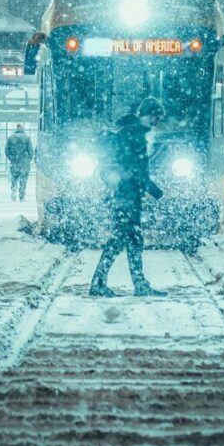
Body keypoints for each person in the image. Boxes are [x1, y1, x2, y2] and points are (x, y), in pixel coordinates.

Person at [89, 97, 166, 297]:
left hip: (126, 194)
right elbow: (134, 168)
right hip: (126, 195)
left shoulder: (131, 132)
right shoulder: (133, 134)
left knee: (132, 239)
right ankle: (100, 283)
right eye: (155, 117)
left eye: (159, 118)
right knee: (121, 239)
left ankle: (137, 284)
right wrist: (153, 189)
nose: (157, 121)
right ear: (146, 114)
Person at [5, 123, 34, 201]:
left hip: (14, 162)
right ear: (22, 129)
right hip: (24, 162)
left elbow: (7, 151)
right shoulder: (27, 138)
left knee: (14, 178)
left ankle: (14, 188)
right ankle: (21, 195)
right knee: (23, 180)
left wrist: (11, 158)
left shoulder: (10, 138)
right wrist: (28, 159)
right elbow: (31, 151)